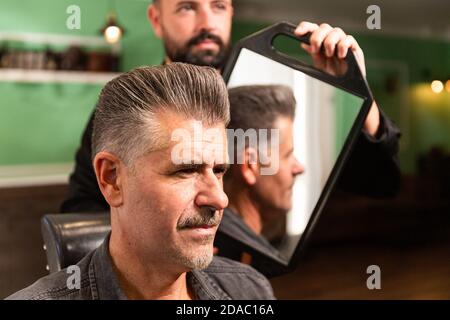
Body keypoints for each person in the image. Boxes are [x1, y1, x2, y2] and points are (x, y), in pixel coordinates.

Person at [61, 0, 400, 214]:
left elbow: (380, 184)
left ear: (232, 12)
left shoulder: (263, 100)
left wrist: (357, 90)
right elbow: (80, 207)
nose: (207, 22)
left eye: (219, 6)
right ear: (156, 18)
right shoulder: (127, 107)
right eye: (186, 7)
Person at [7, 63, 275, 300]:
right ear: (112, 178)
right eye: (186, 170)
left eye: (218, 170)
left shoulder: (249, 289)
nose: (219, 198)